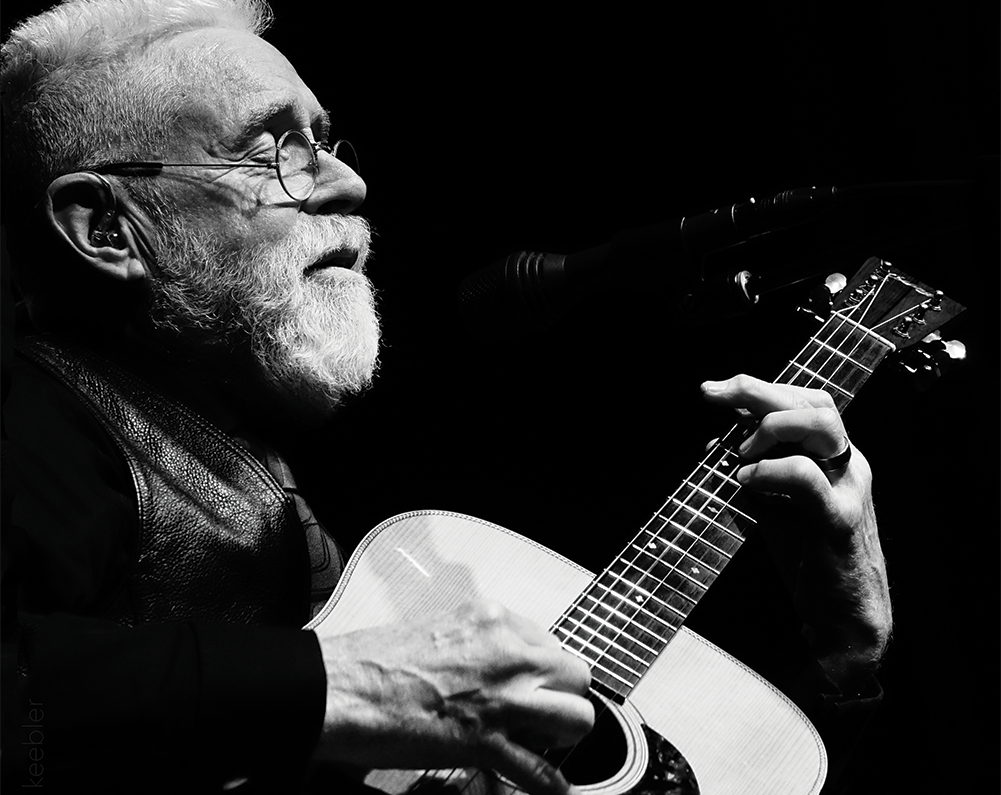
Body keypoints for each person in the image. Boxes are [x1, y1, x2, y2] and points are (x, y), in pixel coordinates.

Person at [0, 1, 892, 792]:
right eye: (271, 149)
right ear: (109, 228)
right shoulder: (31, 416)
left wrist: (843, 649)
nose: (348, 183)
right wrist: (350, 685)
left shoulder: (240, 461)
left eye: (326, 142)